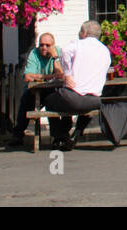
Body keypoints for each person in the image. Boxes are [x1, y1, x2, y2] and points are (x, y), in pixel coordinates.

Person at [42, 20, 112, 150]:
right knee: (83, 107)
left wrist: (67, 74)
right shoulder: (105, 51)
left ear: (84, 33)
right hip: (95, 101)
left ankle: (60, 136)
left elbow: (64, 52)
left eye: (80, 31)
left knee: (50, 100)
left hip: (73, 99)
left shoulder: (78, 44)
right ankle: (76, 134)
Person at [7, 32, 63, 147]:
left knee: (52, 102)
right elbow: (28, 77)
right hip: (35, 89)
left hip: (52, 89)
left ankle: (57, 136)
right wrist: (49, 77)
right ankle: (18, 135)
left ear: (53, 45)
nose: (44, 48)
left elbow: (61, 75)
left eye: (48, 45)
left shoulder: (59, 53)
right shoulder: (34, 53)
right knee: (26, 100)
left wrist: (55, 58)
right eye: (41, 45)